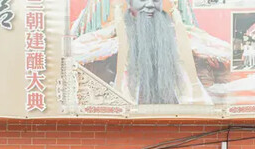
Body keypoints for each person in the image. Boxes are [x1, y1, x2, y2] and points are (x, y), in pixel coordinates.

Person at [71, 0, 221, 105]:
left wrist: (195, 87)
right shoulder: (118, 31)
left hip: (175, 103)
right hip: (131, 102)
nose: (149, 5)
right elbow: (79, 49)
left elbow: (204, 49)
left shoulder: (173, 31)